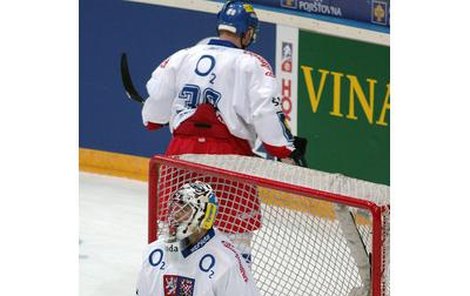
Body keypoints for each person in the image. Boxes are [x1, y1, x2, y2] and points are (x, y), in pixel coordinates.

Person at [141, 0, 307, 265]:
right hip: (230, 161)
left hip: (181, 159)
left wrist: (153, 118)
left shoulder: (181, 56)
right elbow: (267, 112)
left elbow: (155, 109)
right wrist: (284, 149)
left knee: (174, 242)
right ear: (247, 32)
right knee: (234, 247)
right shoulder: (252, 64)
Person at [135, 181, 260, 296]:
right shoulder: (153, 253)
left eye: (185, 210)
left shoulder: (227, 263)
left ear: (206, 217)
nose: (176, 215)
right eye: (175, 208)